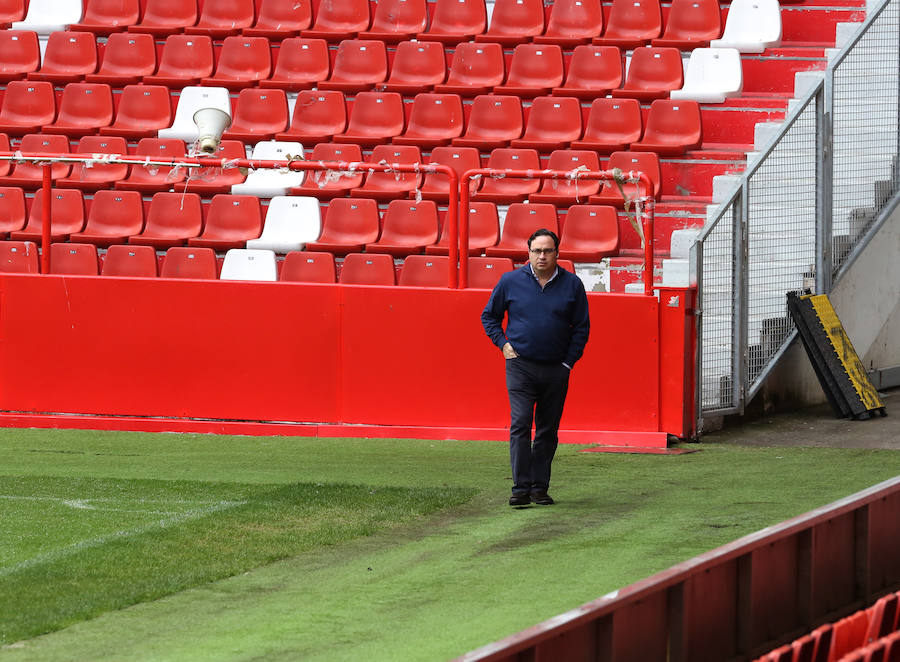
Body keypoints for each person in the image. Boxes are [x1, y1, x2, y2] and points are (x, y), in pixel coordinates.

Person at [481, 228, 590, 507]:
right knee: (519, 425)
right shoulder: (510, 281)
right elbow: (489, 317)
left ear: (557, 253)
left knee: (547, 429)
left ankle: (540, 487)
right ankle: (520, 488)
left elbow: (581, 327)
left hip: (556, 368)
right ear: (528, 253)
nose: (541, 256)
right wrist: (503, 345)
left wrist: (568, 362)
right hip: (520, 366)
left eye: (547, 251)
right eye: (536, 251)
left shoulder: (572, 285)